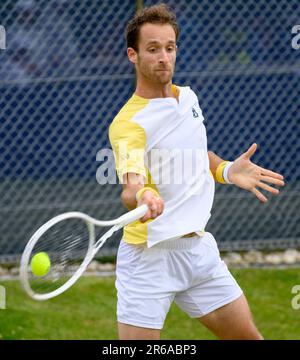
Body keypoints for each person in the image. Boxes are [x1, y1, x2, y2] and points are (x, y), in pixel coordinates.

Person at [109, 4, 285, 340]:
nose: (164, 57)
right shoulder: (128, 123)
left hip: (199, 252)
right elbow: (130, 187)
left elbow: (195, 155)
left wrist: (228, 169)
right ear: (132, 55)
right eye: (153, 49)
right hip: (149, 259)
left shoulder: (189, 98)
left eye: (170, 47)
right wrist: (144, 194)